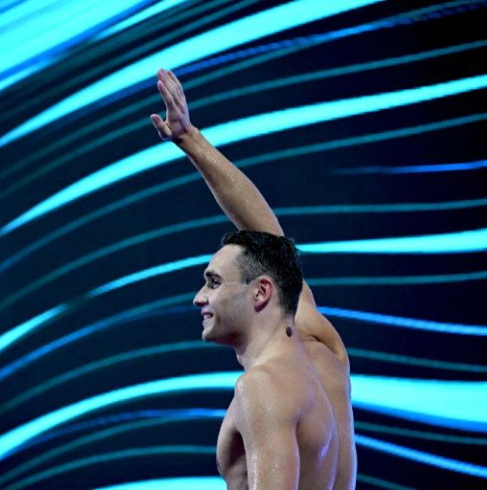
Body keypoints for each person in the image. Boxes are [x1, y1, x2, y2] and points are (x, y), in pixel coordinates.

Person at [150, 68, 356, 489]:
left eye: (213, 282)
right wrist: (189, 139)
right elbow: (267, 236)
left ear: (261, 292)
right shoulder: (324, 352)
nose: (197, 298)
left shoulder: (262, 388)